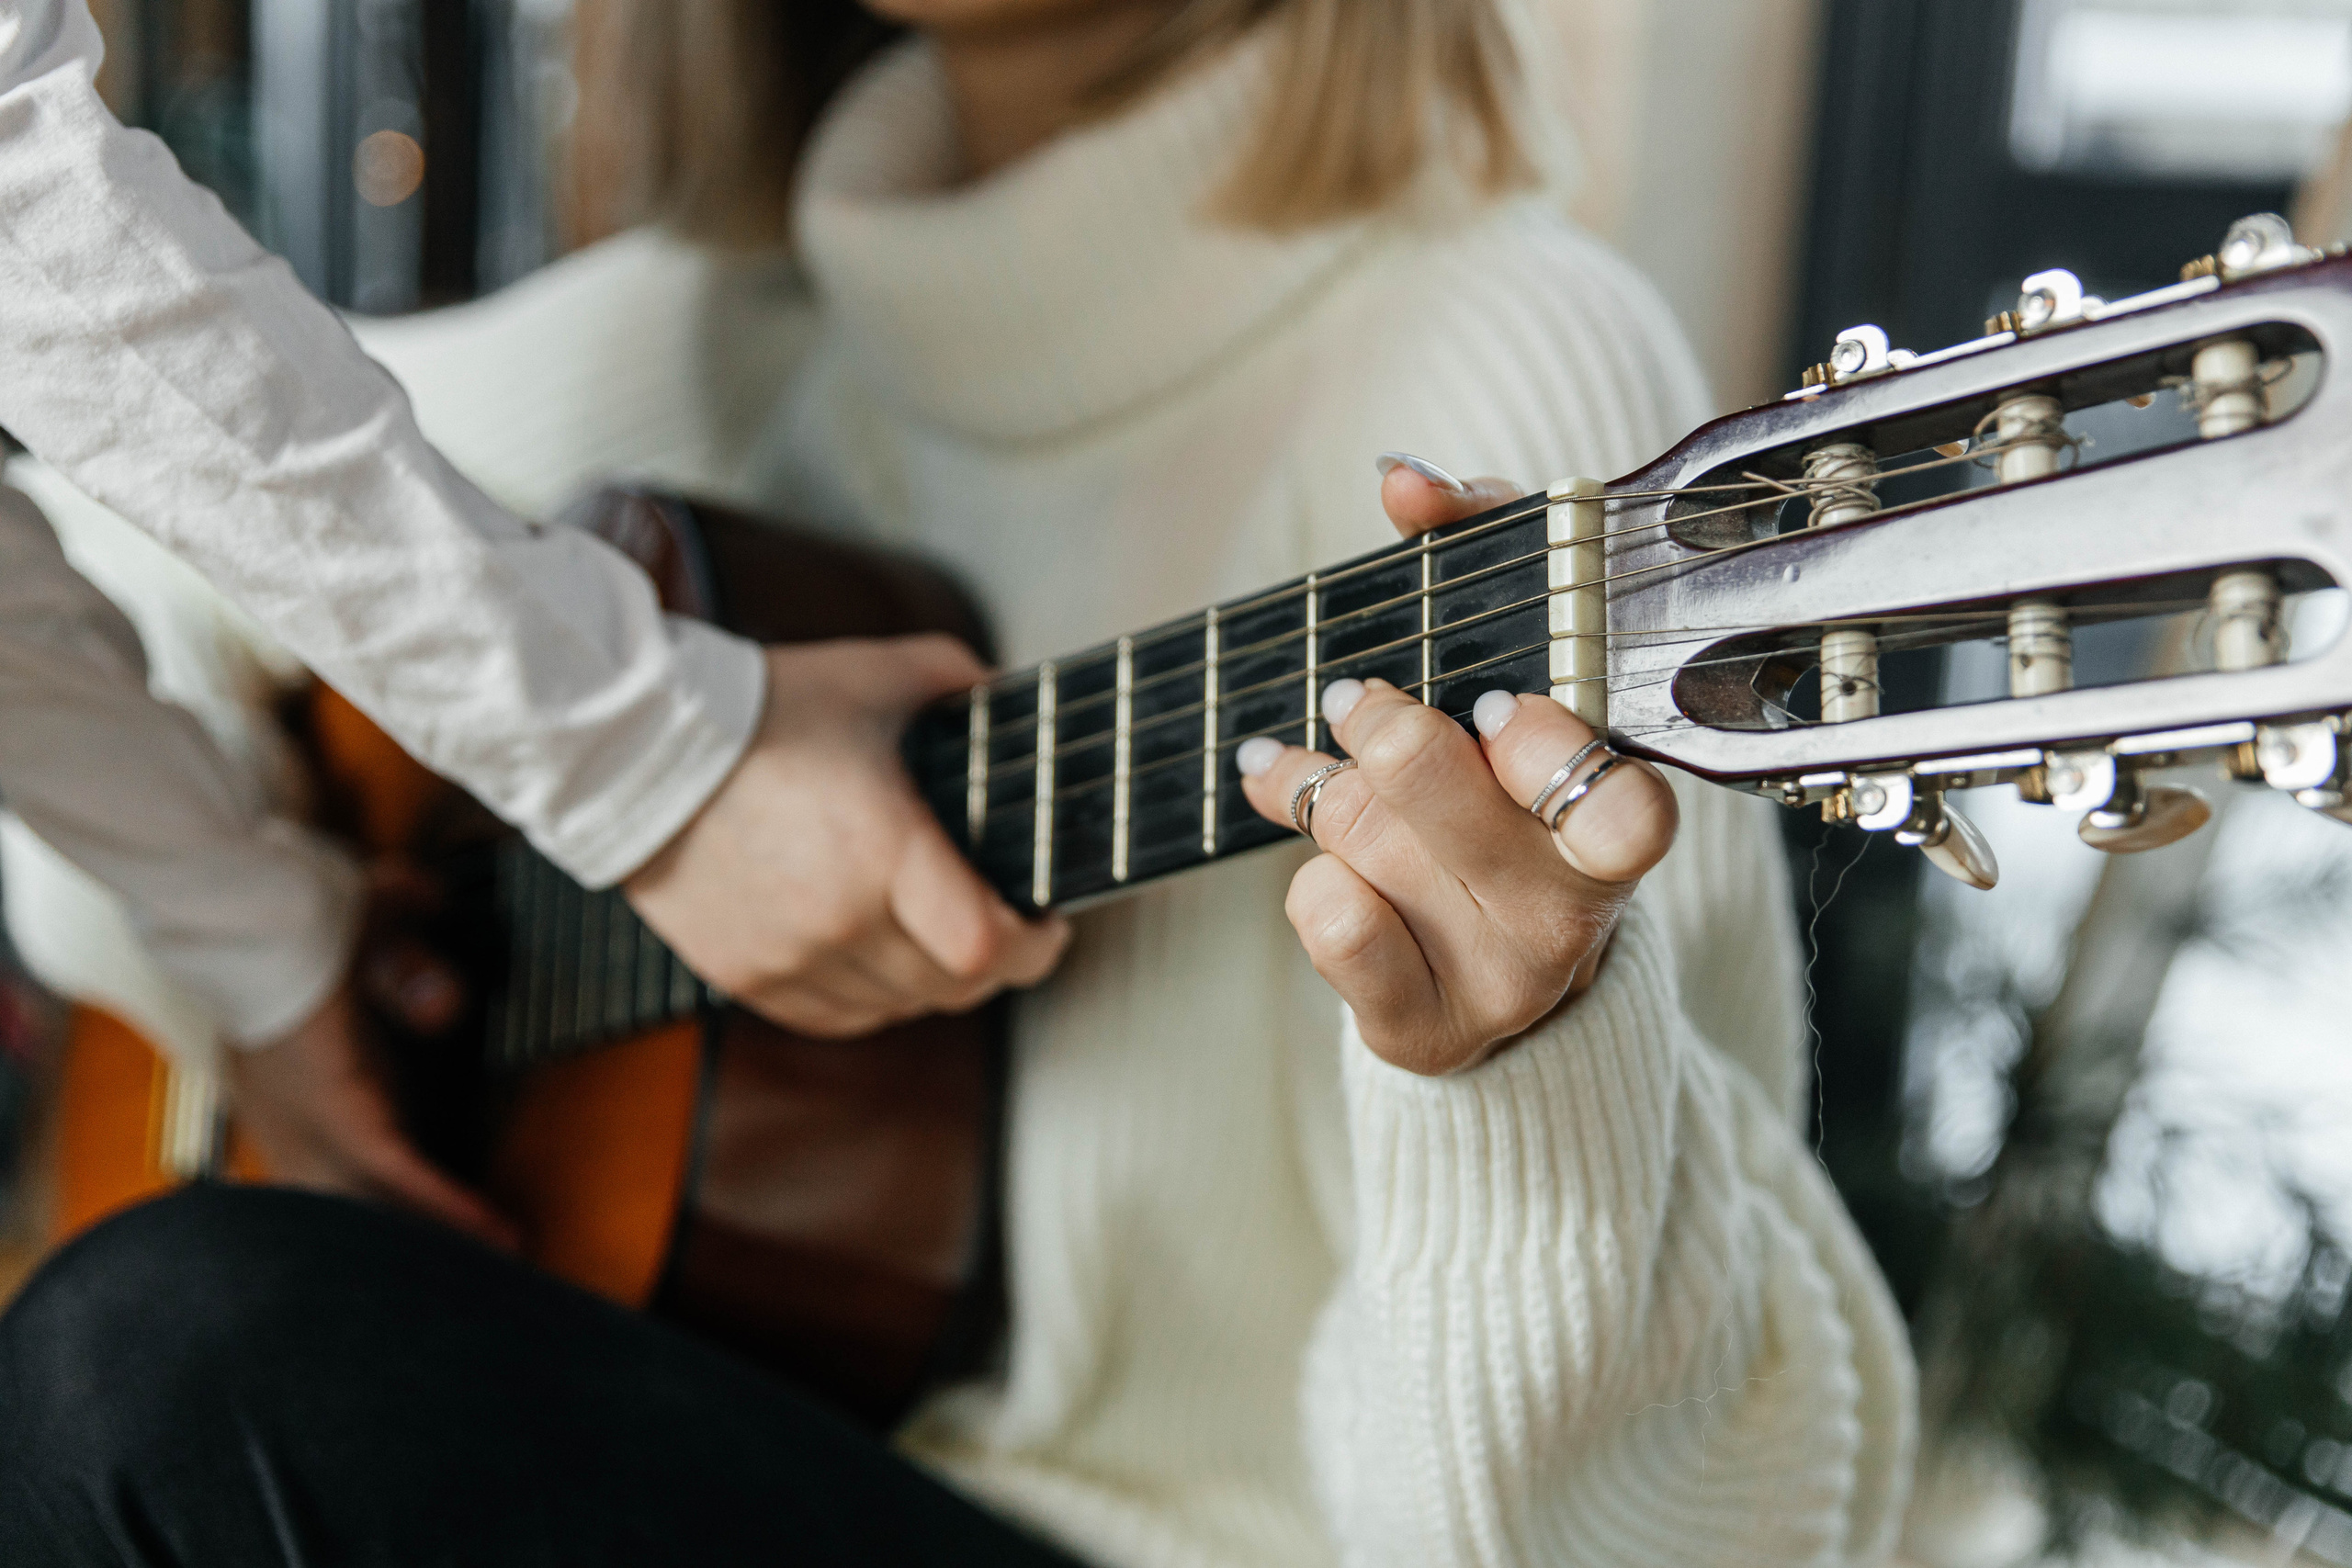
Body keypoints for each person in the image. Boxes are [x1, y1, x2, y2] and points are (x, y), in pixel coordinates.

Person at [0, 4, 1918, 1567]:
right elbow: (134, 496)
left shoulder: (1503, 350)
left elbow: (1728, 1539)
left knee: (148, 1363)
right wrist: (280, 942)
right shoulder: (719, 324)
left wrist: (1521, 1083)